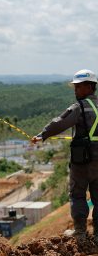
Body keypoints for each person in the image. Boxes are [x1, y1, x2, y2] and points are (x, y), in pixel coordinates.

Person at [31, 69, 98, 243]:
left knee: (77, 195)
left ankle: (80, 233)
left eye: (78, 86)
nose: (75, 90)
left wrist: (42, 135)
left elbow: (59, 122)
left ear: (89, 87)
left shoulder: (79, 107)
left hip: (83, 161)